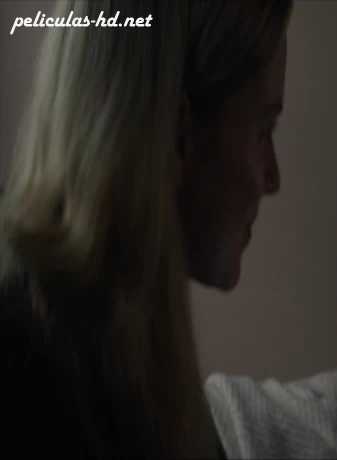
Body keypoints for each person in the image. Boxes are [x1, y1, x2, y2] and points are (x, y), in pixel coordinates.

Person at [0, 0, 291, 458]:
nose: (274, 178)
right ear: (177, 132)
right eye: (264, 129)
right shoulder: (22, 378)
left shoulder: (140, 359)